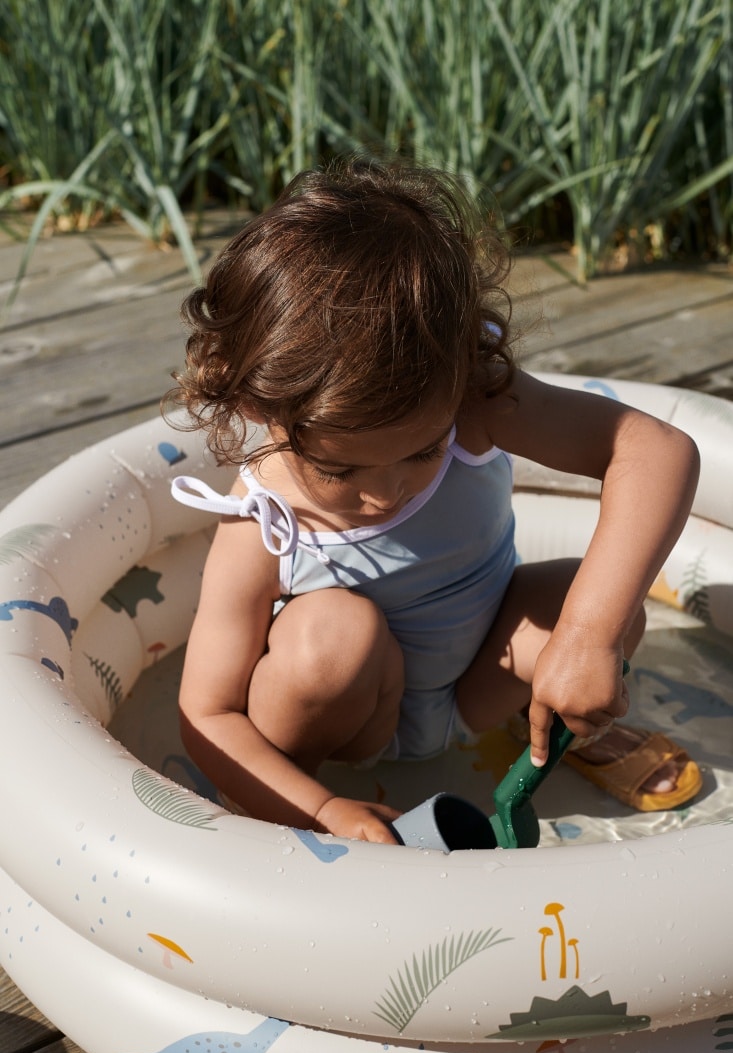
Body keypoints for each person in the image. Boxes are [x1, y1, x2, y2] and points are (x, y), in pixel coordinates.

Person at [166, 158, 702, 845]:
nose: (384, 492)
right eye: (339, 467)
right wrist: (323, 814)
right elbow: (208, 714)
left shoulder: (473, 397)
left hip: (479, 678)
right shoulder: (258, 521)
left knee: (596, 597)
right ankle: (277, 805)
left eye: (423, 452)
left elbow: (655, 451)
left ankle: (552, 724)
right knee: (329, 636)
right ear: (252, 404)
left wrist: (585, 638)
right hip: (349, 718)